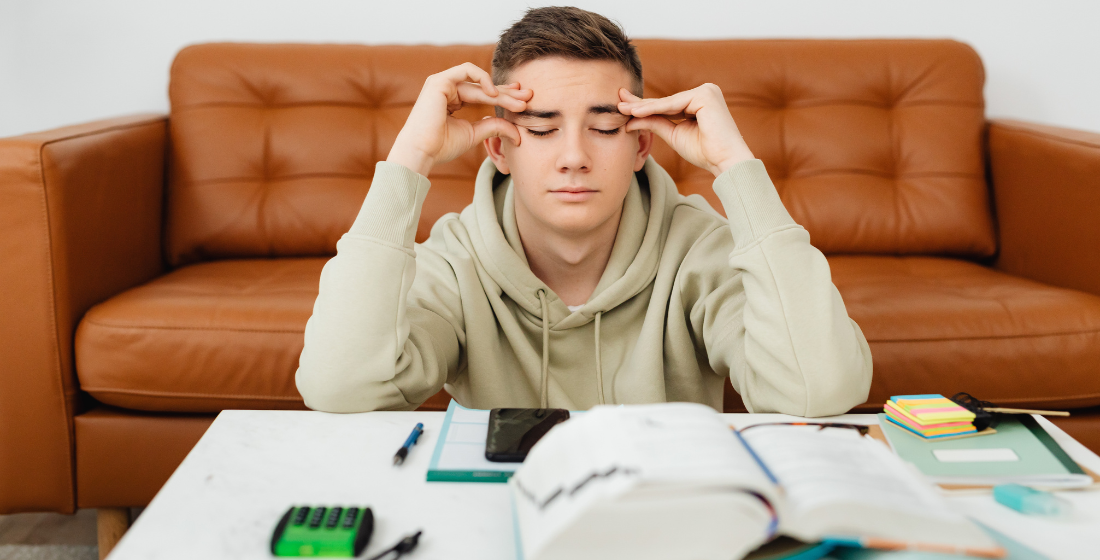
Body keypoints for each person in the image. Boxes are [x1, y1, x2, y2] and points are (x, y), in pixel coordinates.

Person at [295, 6, 872, 416]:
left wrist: (736, 166)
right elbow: (339, 388)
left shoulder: (700, 249)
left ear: (641, 145)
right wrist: (408, 161)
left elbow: (815, 391)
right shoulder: (455, 260)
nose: (574, 157)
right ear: (498, 148)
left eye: (603, 127)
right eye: (542, 128)